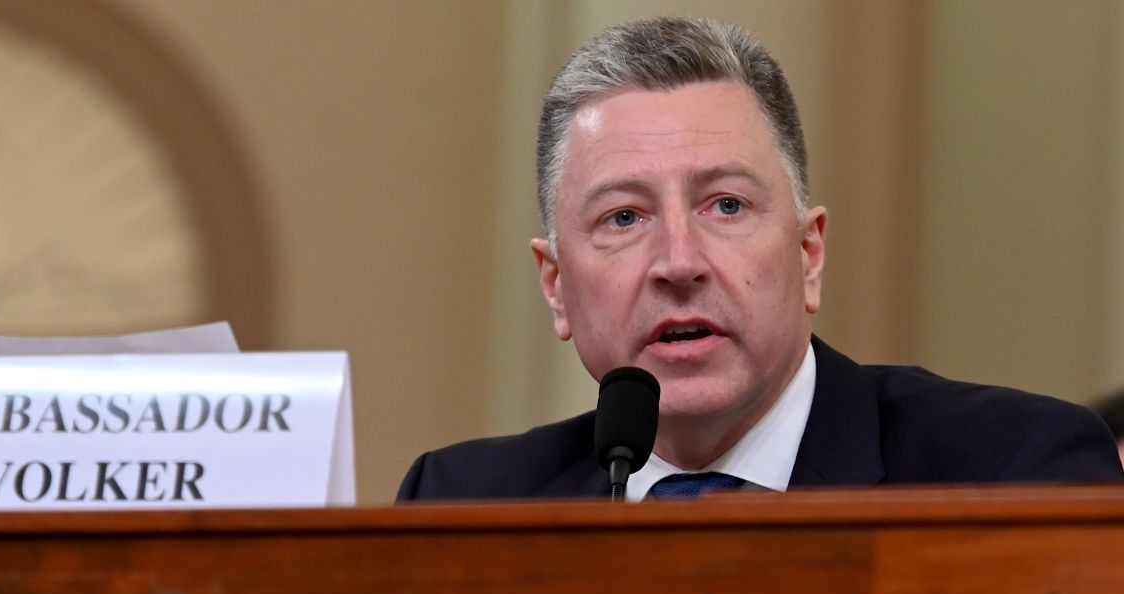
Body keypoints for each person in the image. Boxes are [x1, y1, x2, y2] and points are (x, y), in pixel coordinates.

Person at [398, 17, 1123, 501]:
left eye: (726, 206)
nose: (678, 261)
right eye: (623, 217)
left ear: (809, 254)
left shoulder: (1015, 474)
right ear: (555, 287)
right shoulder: (462, 504)